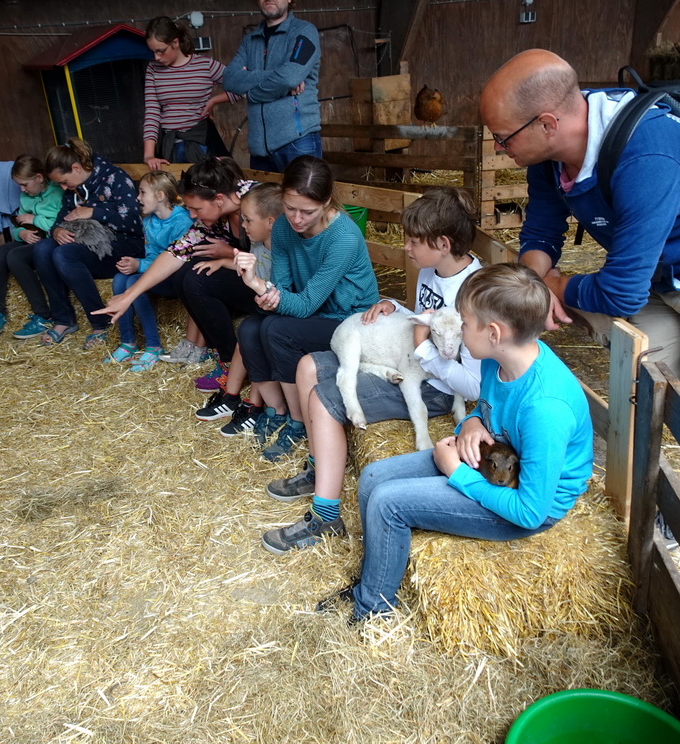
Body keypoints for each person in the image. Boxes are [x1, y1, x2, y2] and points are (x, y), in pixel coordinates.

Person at [479, 49, 680, 548]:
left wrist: (562, 287)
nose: (500, 149)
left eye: (503, 137)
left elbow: (621, 289)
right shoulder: (550, 156)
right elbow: (543, 226)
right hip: (666, 273)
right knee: (647, 377)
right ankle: (633, 491)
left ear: (546, 123)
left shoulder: (646, 152)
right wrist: (531, 282)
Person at [317, 263, 594, 623]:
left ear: (492, 332)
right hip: (492, 461)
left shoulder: (545, 409)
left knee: (389, 503)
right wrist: (470, 423)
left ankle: (372, 612)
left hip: (521, 499)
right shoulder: (500, 363)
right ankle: (373, 583)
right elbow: (487, 409)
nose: (459, 329)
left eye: (464, 323)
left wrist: (459, 475)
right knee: (372, 477)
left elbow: (530, 511)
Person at [260, 187, 484, 555]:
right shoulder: (433, 269)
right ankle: (319, 468)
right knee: (307, 367)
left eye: (414, 241)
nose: (407, 249)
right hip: (406, 359)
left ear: (443, 243)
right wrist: (393, 304)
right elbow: (423, 314)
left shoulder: (472, 293)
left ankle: (325, 517)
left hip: (435, 387)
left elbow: (472, 383)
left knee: (326, 396)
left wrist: (421, 348)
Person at [235, 155, 379, 463]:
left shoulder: (343, 238)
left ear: (327, 202)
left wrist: (263, 288)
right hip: (312, 311)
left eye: (308, 211)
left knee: (276, 329)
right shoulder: (285, 229)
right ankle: (277, 410)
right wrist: (269, 294)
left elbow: (305, 304)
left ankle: (299, 423)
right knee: (249, 327)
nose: (297, 218)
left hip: (348, 320)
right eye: (290, 208)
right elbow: (285, 288)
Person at [92, 157, 254, 372]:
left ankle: (229, 361)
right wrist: (127, 296)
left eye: (196, 209)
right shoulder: (215, 214)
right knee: (186, 269)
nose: (191, 215)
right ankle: (219, 354)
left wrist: (230, 253)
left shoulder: (257, 202)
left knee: (198, 280)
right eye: (188, 208)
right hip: (243, 273)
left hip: (272, 284)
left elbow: (276, 259)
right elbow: (174, 253)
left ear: (219, 199)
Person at [34, 138, 143, 349]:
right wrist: (56, 230)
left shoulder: (115, 178)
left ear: (76, 168)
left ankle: (100, 324)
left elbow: (134, 222)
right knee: (42, 248)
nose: (64, 187)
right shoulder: (72, 189)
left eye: (64, 182)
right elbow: (61, 216)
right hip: (87, 244)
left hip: (123, 245)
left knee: (64, 254)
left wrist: (94, 212)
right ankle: (63, 320)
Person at [194, 182, 282, 430]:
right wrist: (223, 262)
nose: (242, 226)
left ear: (271, 222)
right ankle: (230, 397)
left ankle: (253, 405)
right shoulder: (258, 241)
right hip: (265, 305)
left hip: (277, 307)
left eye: (247, 220)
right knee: (247, 332)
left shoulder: (283, 249)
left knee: (253, 334)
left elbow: (276, 286)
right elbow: (251, 264)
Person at [223, 0, 322, 172]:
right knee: (265, 203)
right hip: (260, 148)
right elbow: (229, 79)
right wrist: (279, 83)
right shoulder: (250, 40)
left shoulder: (304, 32)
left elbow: (289, 77)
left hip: (298, 142)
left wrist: (251, 94)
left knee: (303, 202)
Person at [107, 171, 193, 369]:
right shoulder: (149, 222)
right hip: (158, 273)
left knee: (133, 282)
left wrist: (140, 266)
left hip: (177, 278)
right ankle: (127, 342)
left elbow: (175, 262)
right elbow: (153, 256)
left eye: (142, 192)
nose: (138, 197)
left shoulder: (183, 222)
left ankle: (154, 346)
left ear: (160, 195)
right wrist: (137, 263)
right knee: (121, 278)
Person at [0, 155, 63, 339]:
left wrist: (35, 220)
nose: (21, 189)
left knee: (15, 257)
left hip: (48, 240)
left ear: (39, 178)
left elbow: (61, 226)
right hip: (28, 238)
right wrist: (21, 233)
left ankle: (43, 314)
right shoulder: (26, 197)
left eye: (24, 184)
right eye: (19, 185)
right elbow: (17, 226)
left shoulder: (57, 193)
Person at [142, 16, 239, 170]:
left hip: (203, 143)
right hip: (170, 146)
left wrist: (214, 100)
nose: (156, 57)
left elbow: (241, 87)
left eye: (161, 51)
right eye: (153, 52)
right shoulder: (153, 69)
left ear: (175, 42)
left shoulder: (205, 65)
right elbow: (152, 112)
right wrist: (149, 155)